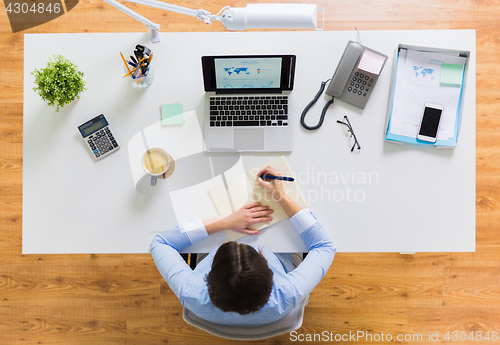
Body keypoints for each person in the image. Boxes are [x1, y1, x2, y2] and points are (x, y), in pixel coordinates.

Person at [151, 166, 336, 326]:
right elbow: (325, 246)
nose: (240, 241)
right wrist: (281, 195)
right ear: (270, 274)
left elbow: (161, 242)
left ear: (208, 276)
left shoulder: (191, 292)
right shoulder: (287, 293)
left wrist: (225, 222)